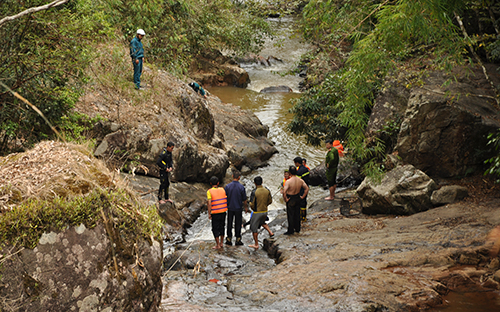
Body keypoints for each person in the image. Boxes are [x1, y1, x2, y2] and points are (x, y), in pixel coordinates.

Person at [248, 176, 273, 249]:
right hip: (265, 211)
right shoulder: (267, 190)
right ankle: (270, 232)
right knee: (262, 222)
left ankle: (256, 244)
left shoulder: (254, 192)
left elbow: (252, 204)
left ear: (255, 183)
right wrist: (265, 205)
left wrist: (251, 207)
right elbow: (270, 201)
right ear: (262, 182)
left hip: (257, 212)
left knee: (254, 228)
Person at [224, 170, 248, 246]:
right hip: (238, 208)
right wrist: (246, 207)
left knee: (229, 223)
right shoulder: (241, 187)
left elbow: (224, 197)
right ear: (239, 177)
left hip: (230, 207)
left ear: (232, 176)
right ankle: (238, 239)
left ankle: (229, 238)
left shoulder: (227, 186)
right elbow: (244, 199)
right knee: (238, 223)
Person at [283, 166, 309, 235]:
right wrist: (303, 196)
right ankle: (297, 228)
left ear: (290, 173)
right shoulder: (300, 180)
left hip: (291, 198)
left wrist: (285, 199)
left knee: (291, 214)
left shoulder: (288, 181)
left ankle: (291, 230)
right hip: (297, 197)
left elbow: (284, 191)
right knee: (297, 213)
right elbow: (306, 188)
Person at [207, 176, 228, 250]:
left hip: (215, 212)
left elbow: (209, 203)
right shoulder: (222, 189)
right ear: (218, 183)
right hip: (223, 211)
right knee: (222, 226)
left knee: (215, 228)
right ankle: (222, 243)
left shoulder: (209, 191)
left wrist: (209, 213)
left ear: (210, 183)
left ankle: (218, 245)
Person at [294, 156, 310, 222]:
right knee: (304, 201)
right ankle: (304, 216)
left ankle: (301, 217)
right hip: (306, 186)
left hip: (301, 188)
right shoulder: (306, 169)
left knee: (301, 202)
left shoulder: (299, 171)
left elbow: (297, 181)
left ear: (297, 163)